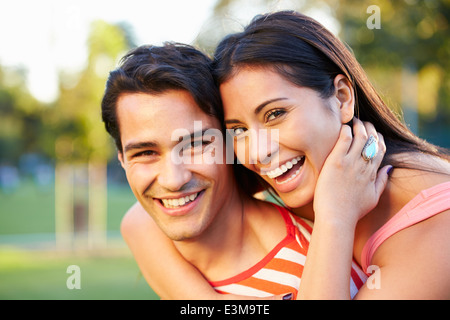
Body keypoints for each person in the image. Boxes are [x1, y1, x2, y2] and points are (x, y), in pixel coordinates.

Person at [101, 43, 381, 299]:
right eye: (145, 153)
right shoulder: (142, 227)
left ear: (230, 143)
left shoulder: (320, 268)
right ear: (123, 159)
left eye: (196, 144)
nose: (173, 180)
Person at [214, 11, 450, 299]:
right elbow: (149, 219)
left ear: (342, 97)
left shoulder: (438, 230)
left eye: (275, 114)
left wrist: (335, 217)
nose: (259, 152)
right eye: (238, 130)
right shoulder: (316, 178)